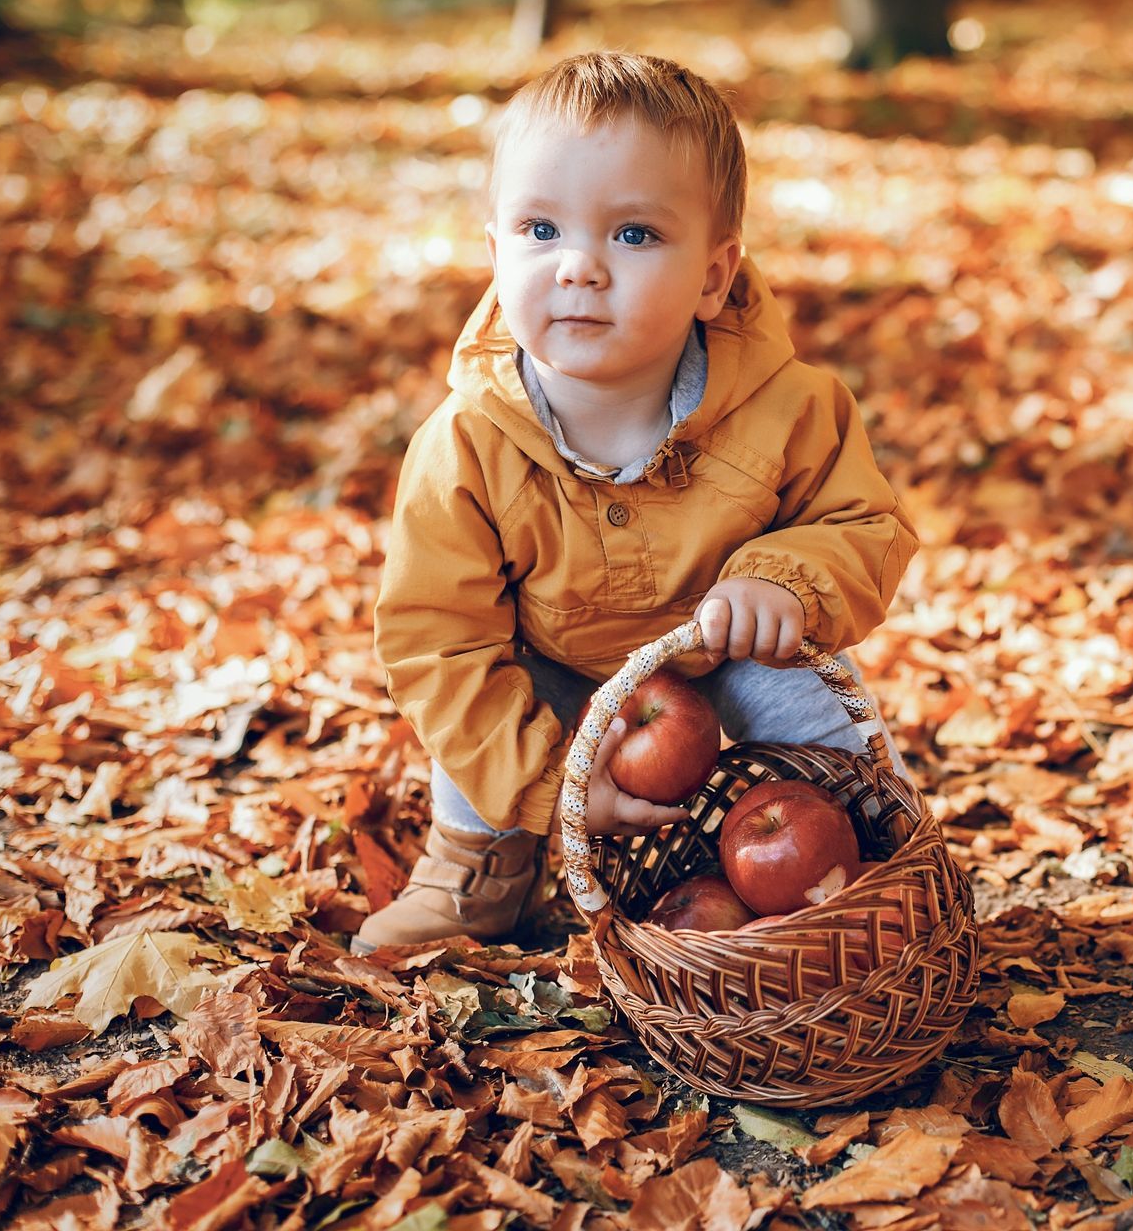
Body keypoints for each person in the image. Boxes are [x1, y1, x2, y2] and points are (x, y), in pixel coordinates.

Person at [353, 51, 918, 951]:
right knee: (474, 699)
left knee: (804, 686)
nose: (579, 266)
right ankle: (475, 870)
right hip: (552, 659)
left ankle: (854, 863)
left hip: (723, 645)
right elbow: (436, 638)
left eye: (634, 236)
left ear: (713, 274)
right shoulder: (464, 446)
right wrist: (546, 783)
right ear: (494, 253)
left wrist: (786, 580)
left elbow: (864, 523)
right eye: (541, 230)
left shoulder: (790, 406)